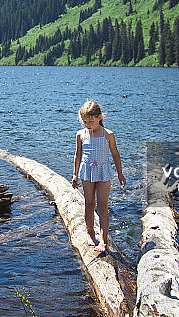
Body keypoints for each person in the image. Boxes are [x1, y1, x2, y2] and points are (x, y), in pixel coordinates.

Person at [71, 100, 126, 253]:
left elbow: (115, 154)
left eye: (91, 121)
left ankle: (103, 240)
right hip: (87, 172)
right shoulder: (81, 134)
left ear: (99, 117)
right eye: (85, 122)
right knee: (89, 204)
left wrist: (120, 173)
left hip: (103, 172)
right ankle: (90, 233)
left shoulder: (108, 135)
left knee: (102, 206)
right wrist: (75, 175)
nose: (88, 124)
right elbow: (78, 155)